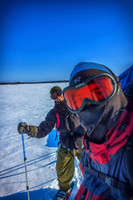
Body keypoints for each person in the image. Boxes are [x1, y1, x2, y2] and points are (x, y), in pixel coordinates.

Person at [63, 62, 133, 200]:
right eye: (76, 100)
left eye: (99, 92)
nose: (89, 104)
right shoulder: (90, 150)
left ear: (117, 88)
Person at [18, 86, 85, 200]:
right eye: (53, 96)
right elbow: (43, 129)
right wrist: (28, 129)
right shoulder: (54, 113)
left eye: (58, 93)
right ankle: (65, 190)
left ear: (63, 92)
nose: (57, 97)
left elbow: (91, 117)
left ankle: (92, 187)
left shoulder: (76, 105)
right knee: (62, 170)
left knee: (91, 166)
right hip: (65, 144)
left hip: (82, 143)